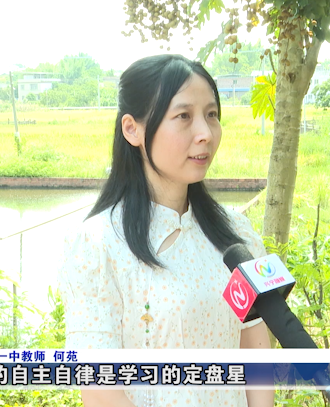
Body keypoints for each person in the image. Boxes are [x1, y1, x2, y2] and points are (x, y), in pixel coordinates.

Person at [59, 54, 274, 407]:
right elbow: (98, 388)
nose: (205, 134)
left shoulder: (237, 235)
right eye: (183, 116)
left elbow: (254, 351)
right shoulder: (98, 245)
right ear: (133, 129)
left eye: (211, 115)